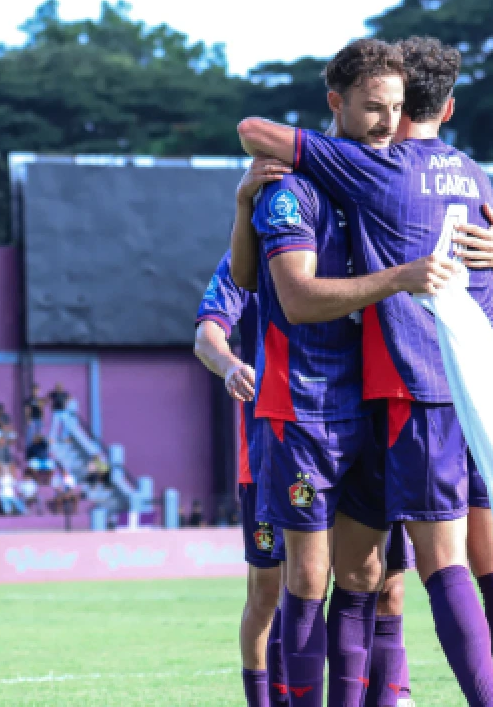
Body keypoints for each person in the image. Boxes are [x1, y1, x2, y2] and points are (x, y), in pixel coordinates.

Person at [237, 37, 493, 707]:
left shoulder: (387, 169)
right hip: (335, 403)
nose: (387, 122)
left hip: (393, 395)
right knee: (325, 577)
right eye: (374, 108)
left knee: (388, 574)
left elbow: (255, 130)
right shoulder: (311, 186)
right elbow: (275, 290)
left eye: (395, 108)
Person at [195, 248, 287, 707]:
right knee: (268, 591)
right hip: (265, 461)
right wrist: (230, 364)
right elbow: (206, 336)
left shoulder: (340, 242)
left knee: (332, 585)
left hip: (335, 449)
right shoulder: (243, 263)